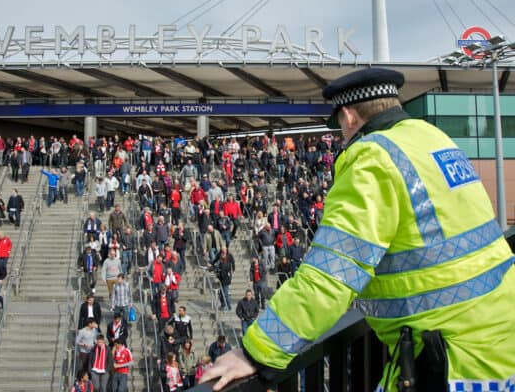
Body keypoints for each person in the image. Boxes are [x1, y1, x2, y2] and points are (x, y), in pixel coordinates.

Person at [200, 68, 515, 391]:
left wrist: (256, 352)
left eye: (339, 126)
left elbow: (330, 274)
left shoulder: (372, 157)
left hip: (453, 361)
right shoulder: (430, 136)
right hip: (499, 339)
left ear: (349, 116)